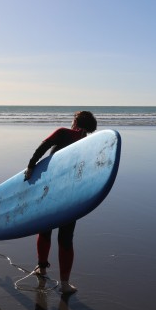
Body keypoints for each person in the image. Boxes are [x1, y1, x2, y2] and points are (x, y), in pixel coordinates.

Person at [23, 110, 97, 294]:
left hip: (49, 191)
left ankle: (41, 268)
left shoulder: (63, 132)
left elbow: (43, 146)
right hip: (71, 196)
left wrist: (31, 166)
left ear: (75, 121)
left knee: (45, 231)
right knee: (66, 239)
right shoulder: (89, 144)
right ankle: (64, 284)